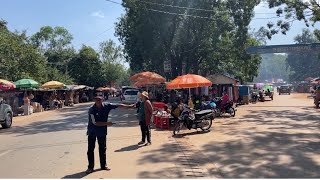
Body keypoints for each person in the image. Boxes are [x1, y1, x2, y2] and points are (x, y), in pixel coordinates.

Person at [86, 95, 135, 174]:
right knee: (90, 149)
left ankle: (103, 165)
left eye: (99, 100)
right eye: (96, 100)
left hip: (102, 131)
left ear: (102, 100)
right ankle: (90, 167)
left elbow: (118, 105)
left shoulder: (107, 106)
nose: (98, 101)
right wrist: (107, 123)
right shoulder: (91, 109)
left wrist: (129, 106)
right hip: (92, 131)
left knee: (103, 148)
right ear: (94, 100)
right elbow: (95, 123)